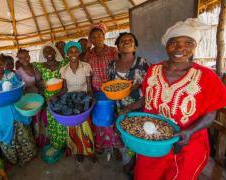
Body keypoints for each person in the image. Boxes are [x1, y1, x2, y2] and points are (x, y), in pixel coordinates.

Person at [125, 18, 226, 180]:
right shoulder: (153, 70)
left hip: (187, 144)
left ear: (195, 47)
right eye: (174, 42)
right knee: (145, 174)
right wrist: (130, 107)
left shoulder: (207, 76)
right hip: (152, 141)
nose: (180, 48)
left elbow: (210, 114)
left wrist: (190, 131)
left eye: (188, 43)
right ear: (166, 45)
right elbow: (147, 98)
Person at [0, 55, 36, 166]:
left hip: (16, 109)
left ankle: (28, 156)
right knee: (6, 136)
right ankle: (14, 159)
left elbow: (20, 88)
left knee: (23, 132)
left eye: (0, 64)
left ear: (4, 64)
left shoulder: (11, 75)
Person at [107, 32, 150, 172]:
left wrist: (139, 88)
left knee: (137, 134)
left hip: (138, 106)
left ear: (135, 46)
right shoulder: (112, 65)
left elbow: (151, 87)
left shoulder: (143, 63)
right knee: (124, 132)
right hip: (119, 106)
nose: (126, 42)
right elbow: (110, 86)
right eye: (122, 41)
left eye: (130, 40)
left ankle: (133, 161)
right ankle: (127, 155)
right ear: (117, 47)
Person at [86, 23, 120, 157]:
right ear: (91, 39)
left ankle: (115, 144)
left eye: (100, 36)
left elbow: (120, 68)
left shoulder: (112, 51)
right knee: (98, 120)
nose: (97, 39)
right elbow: (84, 69)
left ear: (104, 37)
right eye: (94, 37)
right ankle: (100, 144)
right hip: (96, 91)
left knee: (111, 118)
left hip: (112, 90)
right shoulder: (89, 54)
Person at [59, 41, 95, 163]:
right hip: (70, 100)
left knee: (86, 128)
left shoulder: (86, 66)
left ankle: (89, 151)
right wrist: (55, 96)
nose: (73, 53)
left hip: (83, 98)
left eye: (76, 51)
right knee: (73, 128)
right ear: (67, 54)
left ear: (79, 52)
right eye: (70, 51)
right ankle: (78, 151)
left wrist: (91, 99)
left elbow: (89, 87)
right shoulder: (63, 70)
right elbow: (64, 89)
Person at [33, 42, 68, 155]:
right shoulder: (40, 66)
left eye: (50, 50)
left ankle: (69, 144)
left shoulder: (63, 63)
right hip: (49, 99)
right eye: (45, 51)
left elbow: (67, 80)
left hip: (63, 95)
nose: (48, 53)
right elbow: (37, 82)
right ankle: (58, 145)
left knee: (65, 120)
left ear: (55, 51)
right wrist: (41, 84)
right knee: (54, 122)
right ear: (43, 54)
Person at [16, 49, 49, 149]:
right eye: (21, 58)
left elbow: (42, 79)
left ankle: (46, 140)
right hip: (30, 102)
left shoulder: (36, 66)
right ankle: (39, 142)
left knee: (44, 119)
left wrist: (42, 83)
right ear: (18, 59)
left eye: (26, 56)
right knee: (35, 122)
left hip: (41, 97)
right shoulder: (18, 72)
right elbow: (18, 89)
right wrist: (27, 88)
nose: (24, 59)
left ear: (29, 56)